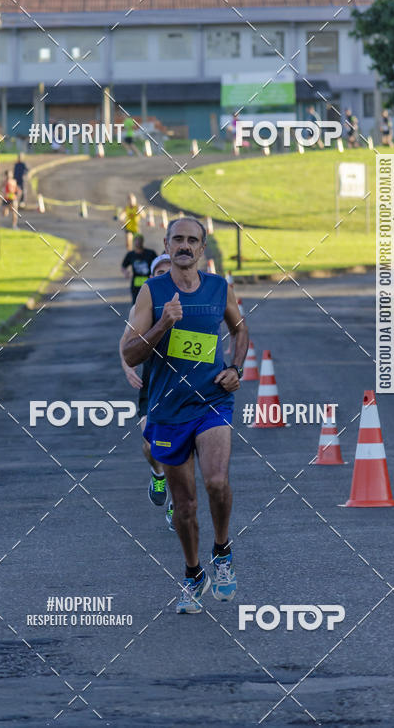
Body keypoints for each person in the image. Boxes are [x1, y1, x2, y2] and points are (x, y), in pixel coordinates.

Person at [123, 218, 249, 614]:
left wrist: (235, 368)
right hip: (167, 409)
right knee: (186, 505)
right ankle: (194, 573)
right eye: (178, 239)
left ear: (202, 248)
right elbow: (129, 353)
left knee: (216, 480)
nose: (184, 246)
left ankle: (223, 551)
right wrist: (164, 322)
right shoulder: (153, 292)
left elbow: (241, 330)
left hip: (211, 402)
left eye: (192, 240)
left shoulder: (218, 287)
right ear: (166, 243)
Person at [119, 254, 175, 530]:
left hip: (184, 385)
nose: (165, 275)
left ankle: (177, 501)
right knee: (150, 441)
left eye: (170, 270)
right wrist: (127, 367)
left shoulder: (190, 301)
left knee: (184, 444)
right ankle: (157, 474)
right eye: (160, 272)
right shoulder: (144, 305)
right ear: (153, 277)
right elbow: (125, 341)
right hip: (153, 382)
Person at [121, 235, 157, 303]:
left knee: (150, 302)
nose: (138, 242)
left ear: (142, 241)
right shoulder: (130, 254)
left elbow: (157, 263)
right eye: (136, 240)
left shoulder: (150, 253)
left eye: (139, 240)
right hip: (136, 283)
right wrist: (125, 272)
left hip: (149, 281)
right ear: (133, 242)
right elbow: (123, 266)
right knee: (136, 303)